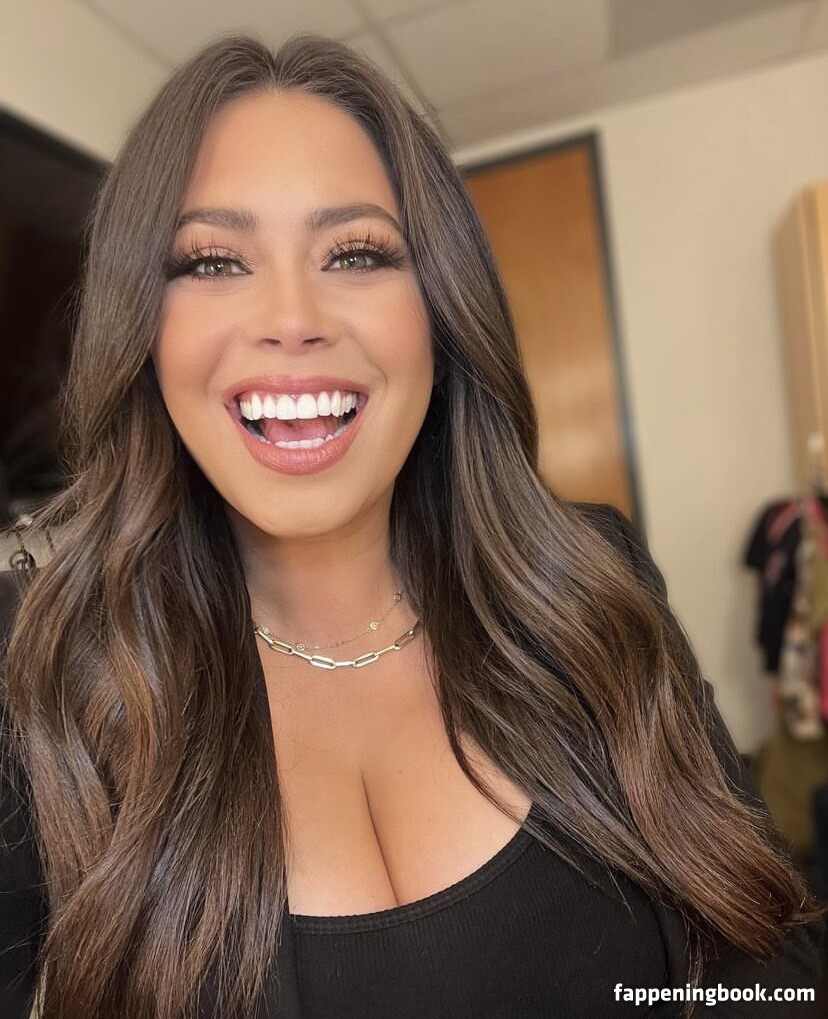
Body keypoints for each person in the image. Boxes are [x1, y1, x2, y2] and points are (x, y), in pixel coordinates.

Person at [0, 34, 823, 1019]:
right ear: (140, 326)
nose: (292, 317)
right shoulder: (44, 674)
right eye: (213, 260)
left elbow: (768, 962)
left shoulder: (589, 583)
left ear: (439, 306)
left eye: (356, 253)